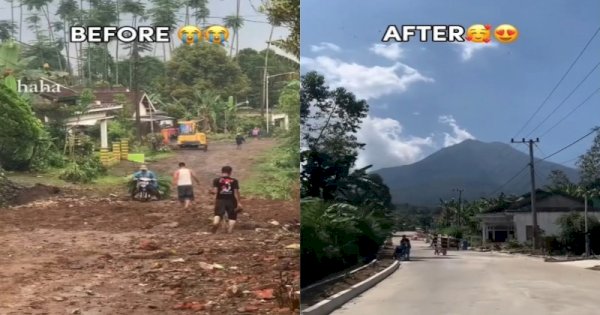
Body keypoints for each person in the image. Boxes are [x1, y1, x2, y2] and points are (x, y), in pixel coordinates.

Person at [210, 166, 242, 234]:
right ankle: (229, 231)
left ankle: (215, 223)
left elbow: (215, 191)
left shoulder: (216, 180)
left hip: (220, 200)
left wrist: (211, 192)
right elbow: (236, 192)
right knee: (232, 216)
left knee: (218, 214)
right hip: (231, 200)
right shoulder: (234, 181)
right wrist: (239, 202)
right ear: (230, 172)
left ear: (222, 171)